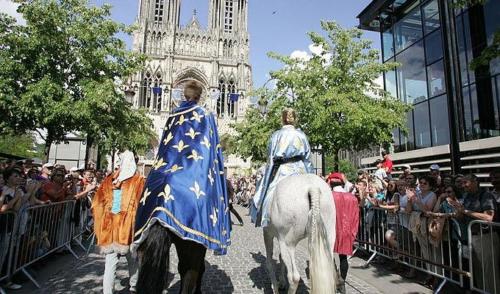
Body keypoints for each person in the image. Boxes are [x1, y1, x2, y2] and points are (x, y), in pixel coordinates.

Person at [134, 80, 231, 292]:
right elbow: (211, 154)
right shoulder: (205, 115)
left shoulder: (171, 117)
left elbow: (164, 150)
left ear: (183, 95)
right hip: (190, 176)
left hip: (162, 176)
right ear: (200, 97)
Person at [250, 108, 314, 227]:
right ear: (295, 119)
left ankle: (266, 219)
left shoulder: (276, 135)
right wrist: (312, 178)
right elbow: (308, 159)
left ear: (282, 119)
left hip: (283, 169)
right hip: (300, 168)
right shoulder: (302, 135)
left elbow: (270, 160)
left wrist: (266, 180)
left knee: (270, 194)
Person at [92, 150, 145, 294]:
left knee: (111, 262)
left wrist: (104, 218)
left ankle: (108, 291)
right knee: (132, 258)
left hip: (111, 226)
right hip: (128, 227)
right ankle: (133, 285)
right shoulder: (138, 181)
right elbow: (143, 204)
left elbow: (98, 201)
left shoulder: (110, 179)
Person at [451, 174, 499, 293]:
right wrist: (459, 213)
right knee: (477, 271)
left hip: (485, 237)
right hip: (472, 237)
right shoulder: (466, 196)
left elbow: (488, 217)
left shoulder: (486, 195)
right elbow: (464, 217)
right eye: (461, 183)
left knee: (489, 272)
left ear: (475, 182)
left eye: (465, 182)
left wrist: (466, 211)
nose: (463, 185)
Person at [328, 173, 359, 294]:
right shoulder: (352, 197)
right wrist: (353, 233)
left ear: (330, 183)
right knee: (343, 257)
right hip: (346, 231)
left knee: (329, 256)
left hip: (331, 230)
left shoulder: (328, 196)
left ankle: (336, 279)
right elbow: (356, 218)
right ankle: (342, 282)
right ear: (341, 182)